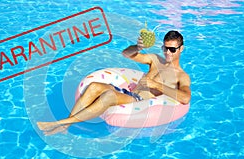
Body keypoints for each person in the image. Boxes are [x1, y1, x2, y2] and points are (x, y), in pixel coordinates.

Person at [37, 30, 191, 135]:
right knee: (94, 86)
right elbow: (126, 54)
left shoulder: (181, 76)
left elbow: (185, 98)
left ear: (181, 49)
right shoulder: (155, 59)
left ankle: (62, 123)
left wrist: (156, 85)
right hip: (128, 93)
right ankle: (66, 127)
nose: (167, 53)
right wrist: (137, 47)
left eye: (172, 49)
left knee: (108, 96)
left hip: (139, 101)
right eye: (165, 48)